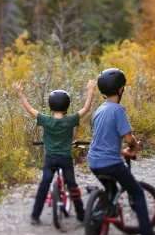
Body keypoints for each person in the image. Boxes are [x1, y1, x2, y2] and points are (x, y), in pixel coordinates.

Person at [88, 68, 155, 235]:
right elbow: (128, 138)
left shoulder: (99, 111)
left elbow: (103, 143)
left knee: (110, 191)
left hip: (94, 161)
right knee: (137, 192)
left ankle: (95, 226)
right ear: (120, 89)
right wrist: (134, 146)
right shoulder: (117, 110)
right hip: (111, 163)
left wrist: (122, 152)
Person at [15, 79, 96, 225]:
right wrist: (90, 91)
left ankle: (35, 215)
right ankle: (81, 216)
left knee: (44, 184)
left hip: (50, 159)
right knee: (72, 185)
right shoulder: (70, 120)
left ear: (51, 106)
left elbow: (29, 109)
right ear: (67, 106)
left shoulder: (46, 120)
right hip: (65, 159)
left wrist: (21, 94)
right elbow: (86, 109)